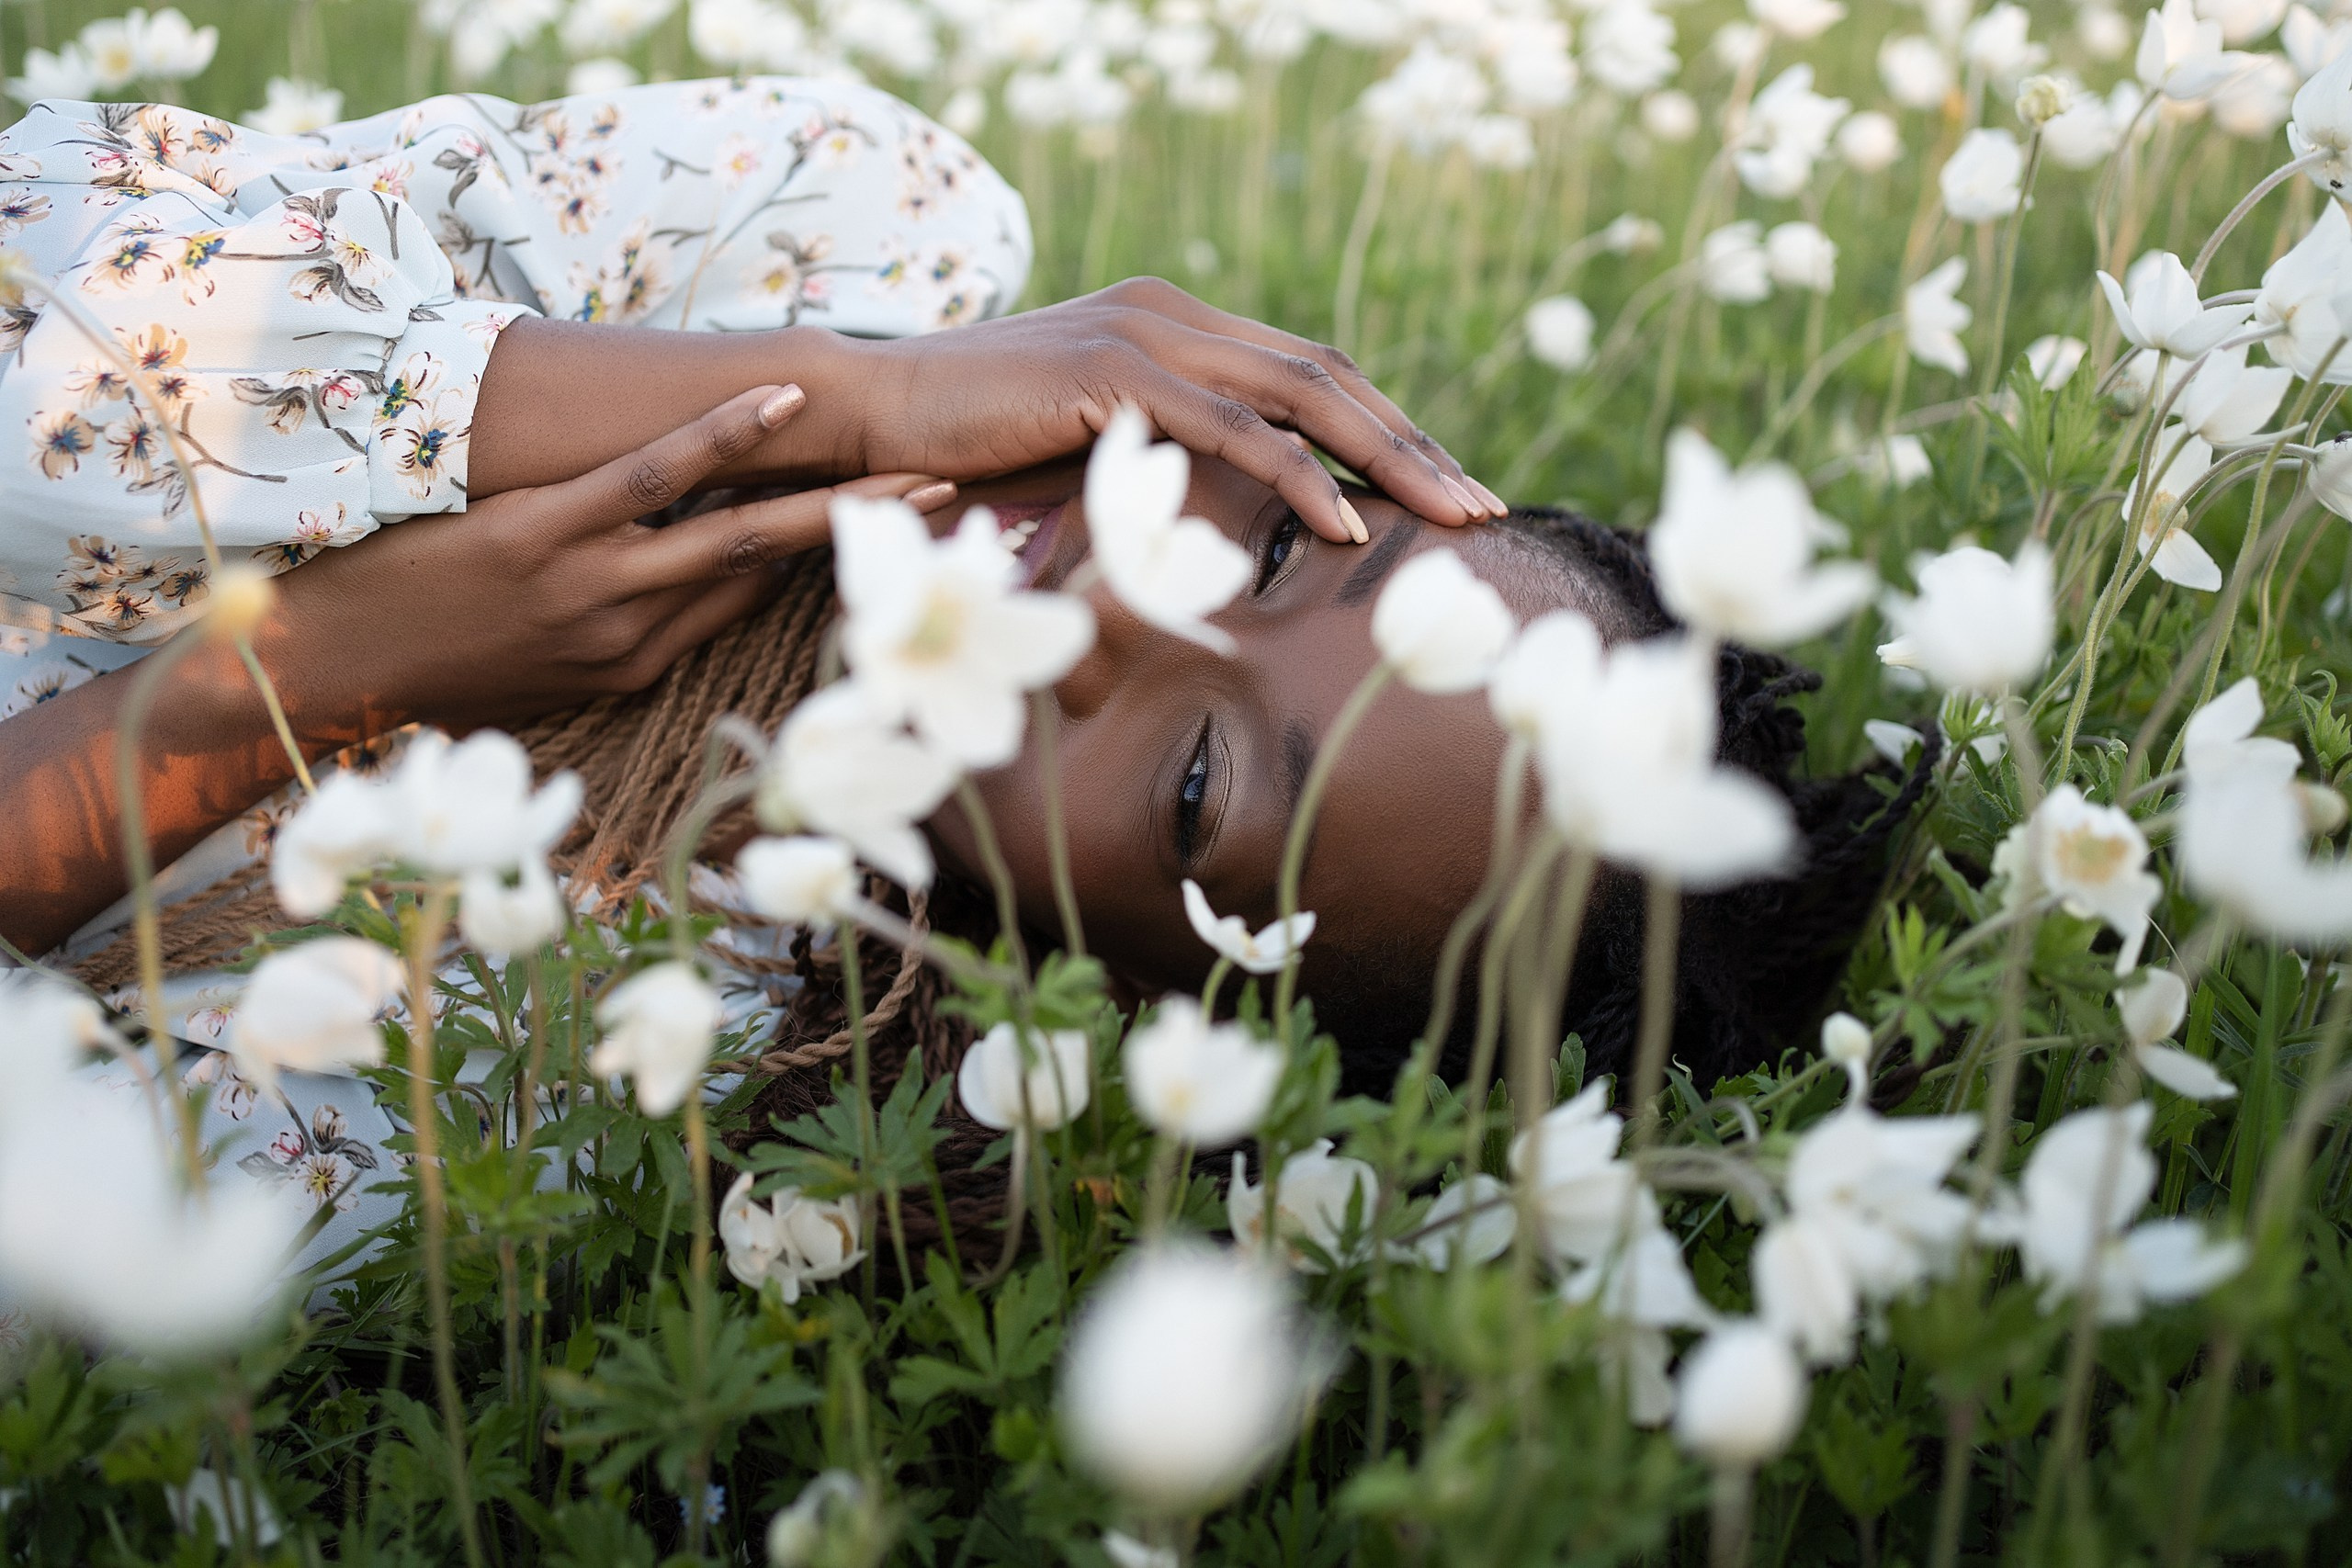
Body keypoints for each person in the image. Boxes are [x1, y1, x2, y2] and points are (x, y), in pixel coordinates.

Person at [0, 77, 1917, 1261]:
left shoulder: (614, 1056)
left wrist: (324, 672)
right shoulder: (853, 227)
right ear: (1308, 435)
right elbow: (37, 248)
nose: (1104, 611)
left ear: (1110, 978)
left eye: (1193, 784)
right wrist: (819, 400)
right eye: (1265, 547)